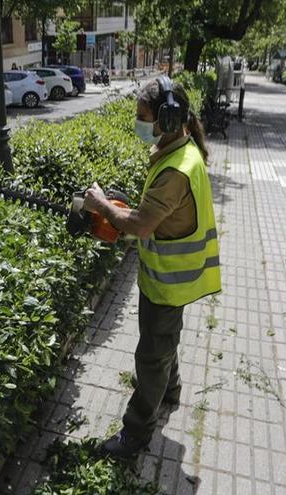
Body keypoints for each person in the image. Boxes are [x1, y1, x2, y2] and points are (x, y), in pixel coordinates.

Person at [83, 76, 221, 458]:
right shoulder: (179, 150)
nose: (138, 123)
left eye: (143, 116)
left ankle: (136, 433)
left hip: (168, 283)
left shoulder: (177, 169)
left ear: (169, 119)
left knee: (151, 355)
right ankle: (171, 391)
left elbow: (142, 225)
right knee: (163, 343)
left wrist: (100, 204)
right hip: (166, 278)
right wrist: (118, 211)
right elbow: (152, 216)